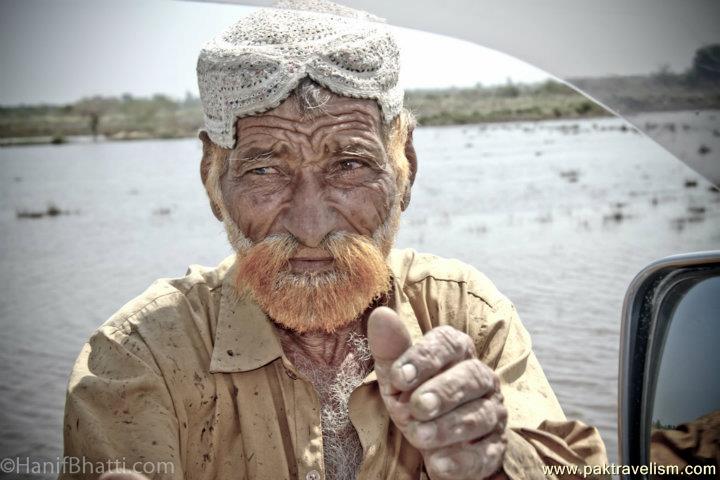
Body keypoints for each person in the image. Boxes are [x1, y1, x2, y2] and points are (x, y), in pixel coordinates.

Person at [62, 2, 608, 479]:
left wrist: (491, 462)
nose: (311, 224)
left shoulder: (462, 312)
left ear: (406, 169)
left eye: (349, 165)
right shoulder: (140, 354)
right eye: (264, 171)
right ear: (213, 179)